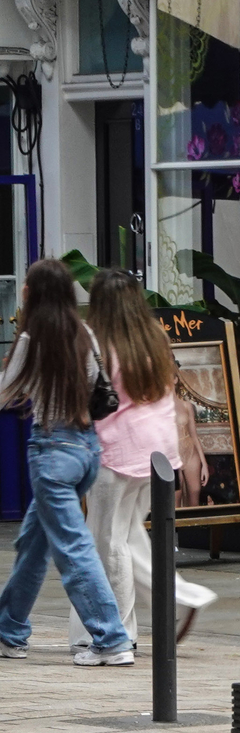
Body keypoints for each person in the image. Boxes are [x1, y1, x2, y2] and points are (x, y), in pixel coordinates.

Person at [0, 258, 137, 665]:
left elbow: (6, 391)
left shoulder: (32, 340)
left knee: (73, 548)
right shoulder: (85, 334)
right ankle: (9, 631)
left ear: (32, 292)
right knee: (33, 543)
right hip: (86, 450)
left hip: (51, 452)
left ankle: (110, 639)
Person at [85, 270, 216, 645]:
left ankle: (120, 634)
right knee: (127, 538)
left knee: (109, 544)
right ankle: (184, 596)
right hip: (159, 454)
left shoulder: (101, 344)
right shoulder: (156, 337)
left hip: (117, 452)